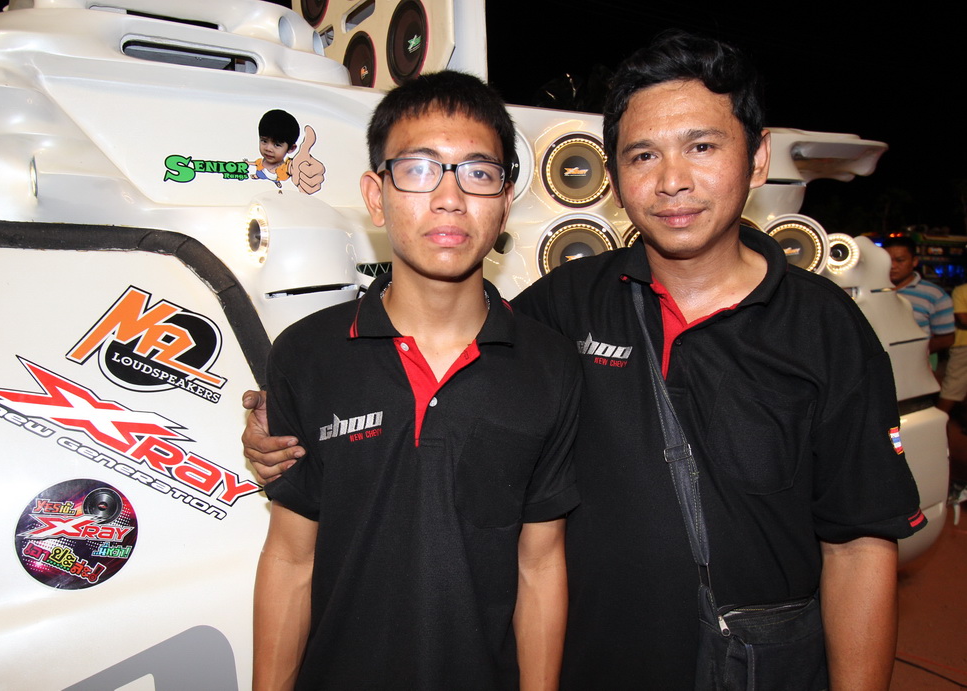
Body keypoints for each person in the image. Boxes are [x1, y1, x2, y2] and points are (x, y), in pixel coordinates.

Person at [245, 32, 924, 689]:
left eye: (701, 146)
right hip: (596, 668)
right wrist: (277, 416)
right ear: (615, 178)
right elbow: (447, 340)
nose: (672, 181)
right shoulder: (568, 305)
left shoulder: (825, 328)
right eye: (642, 155)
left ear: (756, 157)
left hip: (755, 669)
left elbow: (858, 544)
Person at [252, 71, 581, 691]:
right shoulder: (306, 355)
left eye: (478, 172)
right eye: (419, 169)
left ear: (506, 200)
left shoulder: (550, 366)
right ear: (375, 196)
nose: (450, 198)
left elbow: (539, 566)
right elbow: (292, 558)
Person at [883, 236, 954, 359]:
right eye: (888, 260)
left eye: (900, 260)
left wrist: (914, 354)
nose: (893, 266)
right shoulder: (868, 291)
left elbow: (946, 338)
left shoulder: (935, 294)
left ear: (914, 261)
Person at [250, 109, 299, 188]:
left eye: (277, 145)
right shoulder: (260, 163)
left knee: (275, 178)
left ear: (291, 148)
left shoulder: (286, 168)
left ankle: (276, 182)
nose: (268, 148)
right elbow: (255, 163)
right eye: (264, 141)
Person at [938, 283, 967, 413]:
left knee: (953, 387)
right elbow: (963, 319)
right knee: (953, 387)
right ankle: (940, 421)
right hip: (963, 346)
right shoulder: (961, 291)